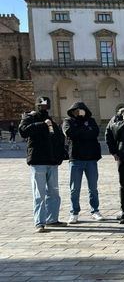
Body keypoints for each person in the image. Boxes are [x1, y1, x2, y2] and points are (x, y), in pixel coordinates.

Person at [19, 96, 67, 232]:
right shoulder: (30, 117)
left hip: (52, 161)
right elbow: (23, 131)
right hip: (38, 160)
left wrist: (60, 155)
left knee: (54, 192)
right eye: (41, 105)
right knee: (39, 194)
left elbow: (58, 138)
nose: (44, 107)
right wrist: (42, 124)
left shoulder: (51, 120)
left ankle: (52, 219)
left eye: (46, 105)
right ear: (37, 105)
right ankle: (39, 222)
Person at [62, 102, 103, 224]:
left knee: (93, 188)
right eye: (76, 111)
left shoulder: (91, 121)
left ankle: (95, 210)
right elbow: (70, 133)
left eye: (81, 110)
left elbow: (95, 133)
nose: (78, 113)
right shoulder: (68, 122)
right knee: (75, 188)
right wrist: (84, 129)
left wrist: (81, 131)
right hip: (76, 159)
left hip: (91, 159)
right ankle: (74, 212)